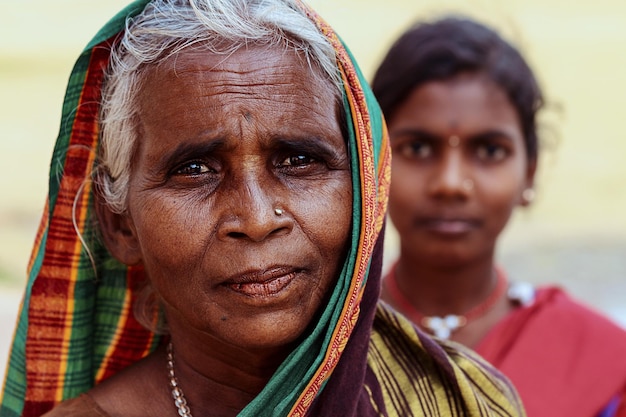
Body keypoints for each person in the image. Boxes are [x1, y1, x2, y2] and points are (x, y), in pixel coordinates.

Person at [0, 2, 527, 416]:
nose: (255, 219)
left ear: (365, 189)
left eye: (299, 160)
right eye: (195, 170)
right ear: (119, 225)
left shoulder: (464, 401)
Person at [371, 15, 626, 417]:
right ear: (372, 163)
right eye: (417, 148)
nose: (451, 183)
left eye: (489, 150)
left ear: (530, 171)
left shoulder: (603, 360)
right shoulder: (323, 344)